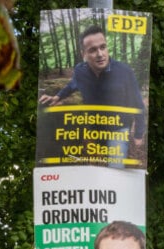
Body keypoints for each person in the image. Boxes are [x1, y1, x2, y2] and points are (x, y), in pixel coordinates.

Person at [38, 24, 147, 157]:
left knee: (115, 167)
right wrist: (57, 97)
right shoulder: (80, 71)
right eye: (93, 50)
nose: (100, 54)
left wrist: (138, 135)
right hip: (95, 128)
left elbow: (138, 104)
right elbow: (72, 85)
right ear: (83, 54)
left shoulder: (124, 72)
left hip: (119, 128)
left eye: (103, 47)